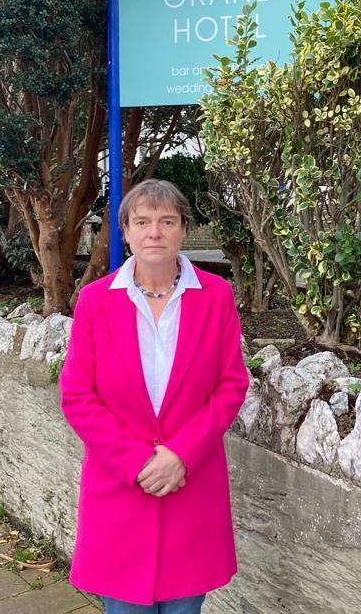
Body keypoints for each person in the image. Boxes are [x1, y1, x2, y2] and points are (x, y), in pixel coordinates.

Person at [59, 179, 249, 614]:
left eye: (167, 221)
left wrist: (180, 454)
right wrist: (139, 462)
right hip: (120, 490)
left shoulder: (216, 297)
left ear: (184, 228)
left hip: (190, 487)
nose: (154, 233)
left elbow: (231, 384)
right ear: (125, 231)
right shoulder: (94, 302)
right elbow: (77, 396)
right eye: (142, 222)